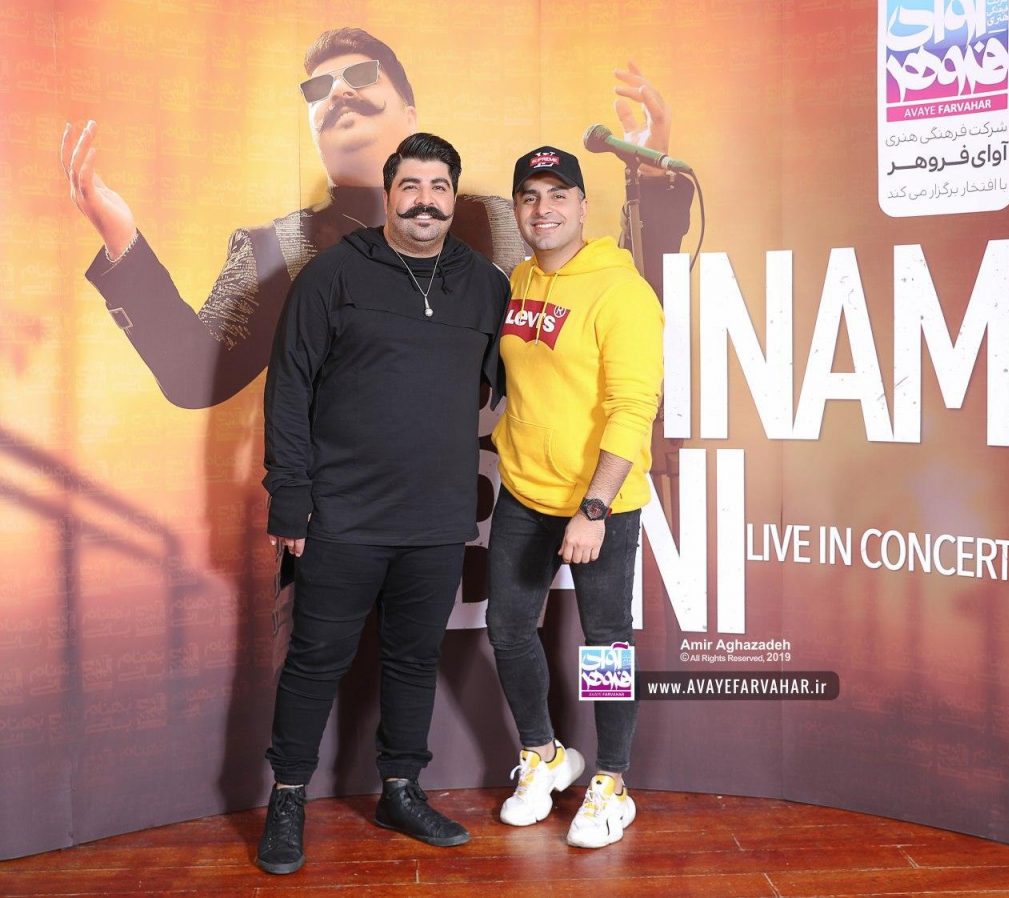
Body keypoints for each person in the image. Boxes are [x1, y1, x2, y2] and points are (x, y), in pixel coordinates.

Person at [59, 29, 690, 410]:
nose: (337, 92)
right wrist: (121, 240)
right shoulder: (276, 248)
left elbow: (620, 299)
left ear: (411, 114)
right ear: (313, 132)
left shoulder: (506, 223)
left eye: (360, 76)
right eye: (317, 91)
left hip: (495, 518)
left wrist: (652, 180)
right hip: (345, 521)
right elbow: (194, 377)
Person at [257, 133, 510, 874]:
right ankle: (287, 798)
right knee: (315, 661)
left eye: (439, 186)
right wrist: (290, 499)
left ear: (453, 197)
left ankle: (401, 789)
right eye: (411, 185)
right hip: (341, 514)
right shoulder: (333, 275)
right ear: (389, 194)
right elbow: (289, 388)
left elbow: (525, 382)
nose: (425, 200)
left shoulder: (485, 285)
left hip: (438, 519)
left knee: (413, 659)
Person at [486, 147, 664, 849]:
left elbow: (633, 405)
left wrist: (594, 509)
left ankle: (612, 781)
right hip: (525, 490)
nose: (544, 209)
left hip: (600, 502)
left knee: (605, 644)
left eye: (558, 194)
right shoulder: (520, 279)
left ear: (584, 206)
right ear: (518, 209)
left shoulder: (622, 291)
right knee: (508, 627)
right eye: (530, 196)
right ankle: (545, 755)